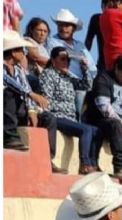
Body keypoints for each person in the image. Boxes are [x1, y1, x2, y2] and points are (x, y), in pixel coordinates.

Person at [3, 31, 64, 172]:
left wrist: (31, 110)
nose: (24, 53)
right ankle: (9, 138)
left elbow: (26, 88)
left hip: (19, 110)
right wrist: (30, 94)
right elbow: (7, 81)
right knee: (8, 93)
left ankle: (48, 158)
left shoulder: (19, 70)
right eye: (21, 50)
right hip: (6, 110)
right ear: (13, 52)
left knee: (48, 118)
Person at [39, 46, 100, 174]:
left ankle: (94, 164)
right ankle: (85, 164)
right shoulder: (48, 74)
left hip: (70, 118)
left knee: (96, 131)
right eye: (62, 59)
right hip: (57, 116)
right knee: (86, 129)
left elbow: (87, 85)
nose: (66, 62)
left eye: (68, 60)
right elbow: (46, 101)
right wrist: (65, 107)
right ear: (53, 60)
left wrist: (84, 68)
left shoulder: (67, 77)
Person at [46, 8, 97, 115]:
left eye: (66, 26)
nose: (63, 28)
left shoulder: (80, 45)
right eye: (60, 25)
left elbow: (92, 66)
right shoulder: (52, 41)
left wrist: (85, 68)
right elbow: (58, 58)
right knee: (80, 95)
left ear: (73, 29)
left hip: (83, 81)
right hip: (64, 80)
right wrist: (78, 58)